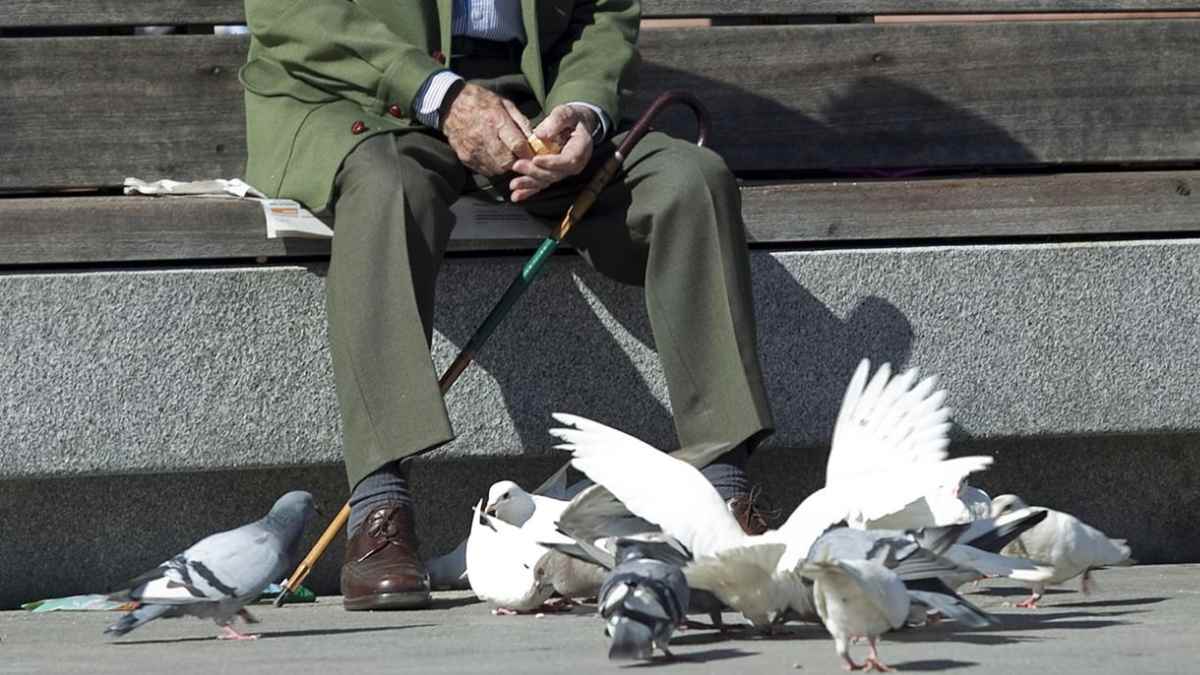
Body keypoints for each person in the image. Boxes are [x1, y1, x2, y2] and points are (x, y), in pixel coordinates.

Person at [240, 0, 774, 611]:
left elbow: (604, 11)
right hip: (364, 100)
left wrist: (583, 109)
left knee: (692, 182)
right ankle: (378, 507)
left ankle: (721, 500)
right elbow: (289, 13)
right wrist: (441, 95)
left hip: (528, 104)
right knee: (387, 191)